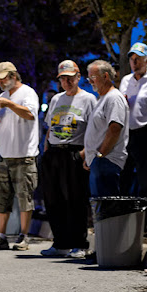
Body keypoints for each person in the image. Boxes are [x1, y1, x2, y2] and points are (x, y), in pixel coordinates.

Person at [0, 62, 39, 251]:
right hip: (4, 155)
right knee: (1, 199)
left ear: (14, 75)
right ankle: (0, 236)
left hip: (24, 155)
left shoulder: (28, 93)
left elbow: (30, 115)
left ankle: (24, 236)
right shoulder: (3, 97)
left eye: (4, 78)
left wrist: (10, 104)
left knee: (25, 197)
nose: (1, 82)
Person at [40, 60, 97, 258]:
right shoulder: (56, 99)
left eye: (70, 78)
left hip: (74, 151)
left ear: (78, 77)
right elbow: (49, 128)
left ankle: (79, 243)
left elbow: (94, 129)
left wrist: (84, 153)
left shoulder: (88, 99)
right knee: (53, 200)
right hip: (54, 152)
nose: (66, 82)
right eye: (63, 78)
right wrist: (47, 151)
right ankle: (60, 243)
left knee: (75, 200)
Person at [119, 42, 147, 197]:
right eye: (132, 59)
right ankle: (125, 212)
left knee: (145, 177)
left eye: (138, 59)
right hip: (128, 133)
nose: (134, 62)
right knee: (124, 175)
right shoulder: (126, 80)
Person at [83, 60, 129, 197]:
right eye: (89, 78)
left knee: (106, 209)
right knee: (100, 208)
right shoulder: (103, 99)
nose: (90, 81)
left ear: (106, 76)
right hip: (99, 162)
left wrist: (100, 155)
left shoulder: (114, 98)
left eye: (93, 77)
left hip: (107, 162)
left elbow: (115, 128)